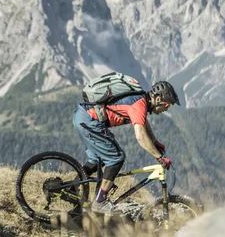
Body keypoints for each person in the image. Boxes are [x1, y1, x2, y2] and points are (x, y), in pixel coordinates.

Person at [72, 79, 179, 213]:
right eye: (166, 106)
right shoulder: (139, 104)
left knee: (96, 161)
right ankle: (100, 202)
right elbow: (140, 136)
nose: (165, 109)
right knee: (116, 158)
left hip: (83, 117)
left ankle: (72, 188)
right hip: (89, 121)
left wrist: (155, 142)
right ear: (158, 99)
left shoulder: (141, 101)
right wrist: (159, 158)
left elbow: (144, 123)